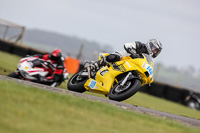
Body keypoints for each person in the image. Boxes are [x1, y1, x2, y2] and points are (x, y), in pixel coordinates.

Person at [86, 39, 162, 70]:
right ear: (151, 45)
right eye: (155, 49)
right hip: (125, 57)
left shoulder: (150, 58)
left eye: (157, 51)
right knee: (114, 57)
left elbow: (150, 67)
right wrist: (133, 52)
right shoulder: (139, 45)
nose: (155, 52)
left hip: (132, 66)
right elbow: (127, 45)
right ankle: (95, 64)